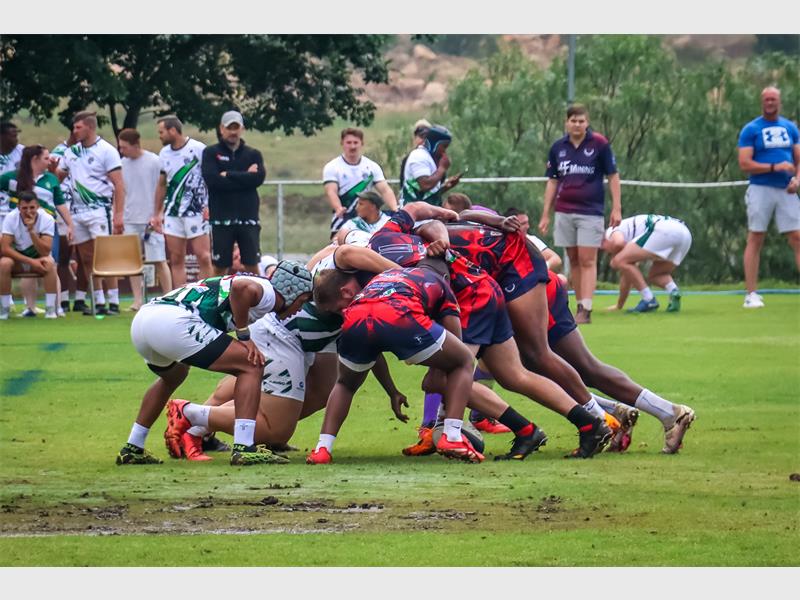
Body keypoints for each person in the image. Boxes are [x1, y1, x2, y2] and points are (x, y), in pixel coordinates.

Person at [116, 261, 313, 466]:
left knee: (174, 376)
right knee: (252, 364)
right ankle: (244, 447)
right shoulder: (270, 294)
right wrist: (244, 335)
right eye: (303, 301)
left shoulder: (264, 288)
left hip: (144, 320)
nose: (299, 309)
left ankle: (133, 446)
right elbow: (241, 288)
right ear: (291, 291)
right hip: (172, 322)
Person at [307, 265, 484, 464]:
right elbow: (455, 343)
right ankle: (452, 436)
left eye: (339, 308)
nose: (340, 312)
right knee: (464, 361)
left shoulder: (377, 281)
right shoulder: (439, 283)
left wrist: (392, 391)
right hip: (398, 312)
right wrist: (445, 370)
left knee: (345, 384)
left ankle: (322, 448)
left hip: (356, 317)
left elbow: (373, 352)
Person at [543, 267, 696, 454]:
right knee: (543, 370)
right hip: (531, 290)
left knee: (534, 369)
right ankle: (622, 413)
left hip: (531, 292)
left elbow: (549, 256)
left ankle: (661, 413)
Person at [538, 104, 622, 324]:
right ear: (567, 122)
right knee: (573, 259)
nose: (577, 124)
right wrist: (546, 213)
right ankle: (578, 306)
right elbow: (553, 180)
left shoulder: (599, 145)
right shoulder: (558, 148)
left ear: (587, 122)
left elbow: (613, 176)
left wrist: (616, 207)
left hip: (590, 212)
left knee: (587, 259)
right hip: (564, 211)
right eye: (573, 120)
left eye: (581, 121)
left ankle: (587, 307)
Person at [56, 111, 126, 316]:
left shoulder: (106, 150)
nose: (74, 131)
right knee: (86, 258)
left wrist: (118, 213)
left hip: (99, 209)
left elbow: (119, 184)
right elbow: (58, 177)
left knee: (105, 255)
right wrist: (55, 172)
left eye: (78, 127)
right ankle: (98, 301)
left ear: (90, 127)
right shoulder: (71, 152)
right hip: (77, 211)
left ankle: (113, 300)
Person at [737, 86, 800, 309]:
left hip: (786, 190)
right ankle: (751, 294)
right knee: (756, 237)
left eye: (774, 99)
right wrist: (774, 166)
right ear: (762, 102)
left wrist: (797, 179)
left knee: (797, 236)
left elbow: (798, 159)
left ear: (779, 102)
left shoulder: (790, 128)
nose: (770, 103)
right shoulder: (751, 130)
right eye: (767, 99)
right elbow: (745, 163)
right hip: (760, 189)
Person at [0, 144, 74, 317]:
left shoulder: (51, 178)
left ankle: (56, 307)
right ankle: (30, 307)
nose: (50, 161)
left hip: (46, 227)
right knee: (25, 265)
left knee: (50, 263)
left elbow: (59, 202)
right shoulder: (12, 178)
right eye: (46, 158)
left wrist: (70, 224)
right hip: (17, 228)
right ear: (35, 159)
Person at [201, 110, 266, 277]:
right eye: (229, 128)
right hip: (221, 218)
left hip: (248, 217)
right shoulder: (210, 152)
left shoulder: (253, 154)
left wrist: (228, 174)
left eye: (236, 127)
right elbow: (213, 181)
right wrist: (245, 176)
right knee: (220, 266)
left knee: (251, 264)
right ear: (222, 129)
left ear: (242, 129)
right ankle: (217, 300)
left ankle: (259, 300)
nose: (233, 132)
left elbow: (258, 179)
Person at [152, 116, 212, 287]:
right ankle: (180, 298)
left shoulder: (198, 149)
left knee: (204, 256)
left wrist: (210, 205)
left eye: (161, 132)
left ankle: (205, 294)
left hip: (197, 211)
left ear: (173, 131)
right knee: (176, 258)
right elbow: (162, 184)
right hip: (172, 213)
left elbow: (210, 179)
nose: (160, 136)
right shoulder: (164, 153)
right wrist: (157, 212)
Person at [117, 128, 172, 310]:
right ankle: (137, 300)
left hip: (151, 220)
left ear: (135, 145)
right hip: (130, 219)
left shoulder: (154, 161)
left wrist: (159, 214)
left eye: (124, 147)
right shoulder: (122, 164)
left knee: (159, 259)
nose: (122, 150)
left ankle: (169, 297)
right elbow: (120, 191)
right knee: (133, 262)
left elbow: (164, 189)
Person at [602, 214, 692, 313]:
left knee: (619, 261)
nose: (607, 252)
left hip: (664, 230)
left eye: (604, 249)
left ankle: (649, 299)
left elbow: (618, 243)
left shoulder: (611, 231)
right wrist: (619, 305)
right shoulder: (628, 232)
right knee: (657, 274)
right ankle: (673, 292)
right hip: (685, 233)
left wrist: (617, 259)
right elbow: (627, 276)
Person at [323, 127, 397, 237]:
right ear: (342, 143)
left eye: (355, 142)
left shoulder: (371, 167)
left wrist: (395, 209)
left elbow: (385, 190)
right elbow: (331, 192)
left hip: (366, 220)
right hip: (343, 218)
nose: (352, 146)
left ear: (361, 143)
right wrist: (338, 208)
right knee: (338, 248)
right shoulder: (333, 167)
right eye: (348, 142)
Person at [0, 191, 58, 319]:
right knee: (4, 263)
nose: (28, 211)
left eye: (32, 208)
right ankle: (4, 310)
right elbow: (5, 248)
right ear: (18, 208)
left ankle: (50, 310)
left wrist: (32, 231)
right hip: (19, 262)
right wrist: (31, 262)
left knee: (49, 263)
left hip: (39, 259)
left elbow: (45, 251)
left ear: (38, 207)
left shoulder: (47, 219)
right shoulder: (11, 218)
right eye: (24, 208)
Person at [399, 124, 462, 207]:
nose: (444, 151)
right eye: (444, 146)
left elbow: (427, 195)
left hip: (427, 214)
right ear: (434, 143)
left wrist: (446, 187)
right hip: (416, 216)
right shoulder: (419, 156)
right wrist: (442, 168)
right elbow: (425, 185)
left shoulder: (429, 157)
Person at [0, 122, 24, 231]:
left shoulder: (22, 152)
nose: (16, 139)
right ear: (2, 137)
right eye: (13, 136)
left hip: (14, 207)